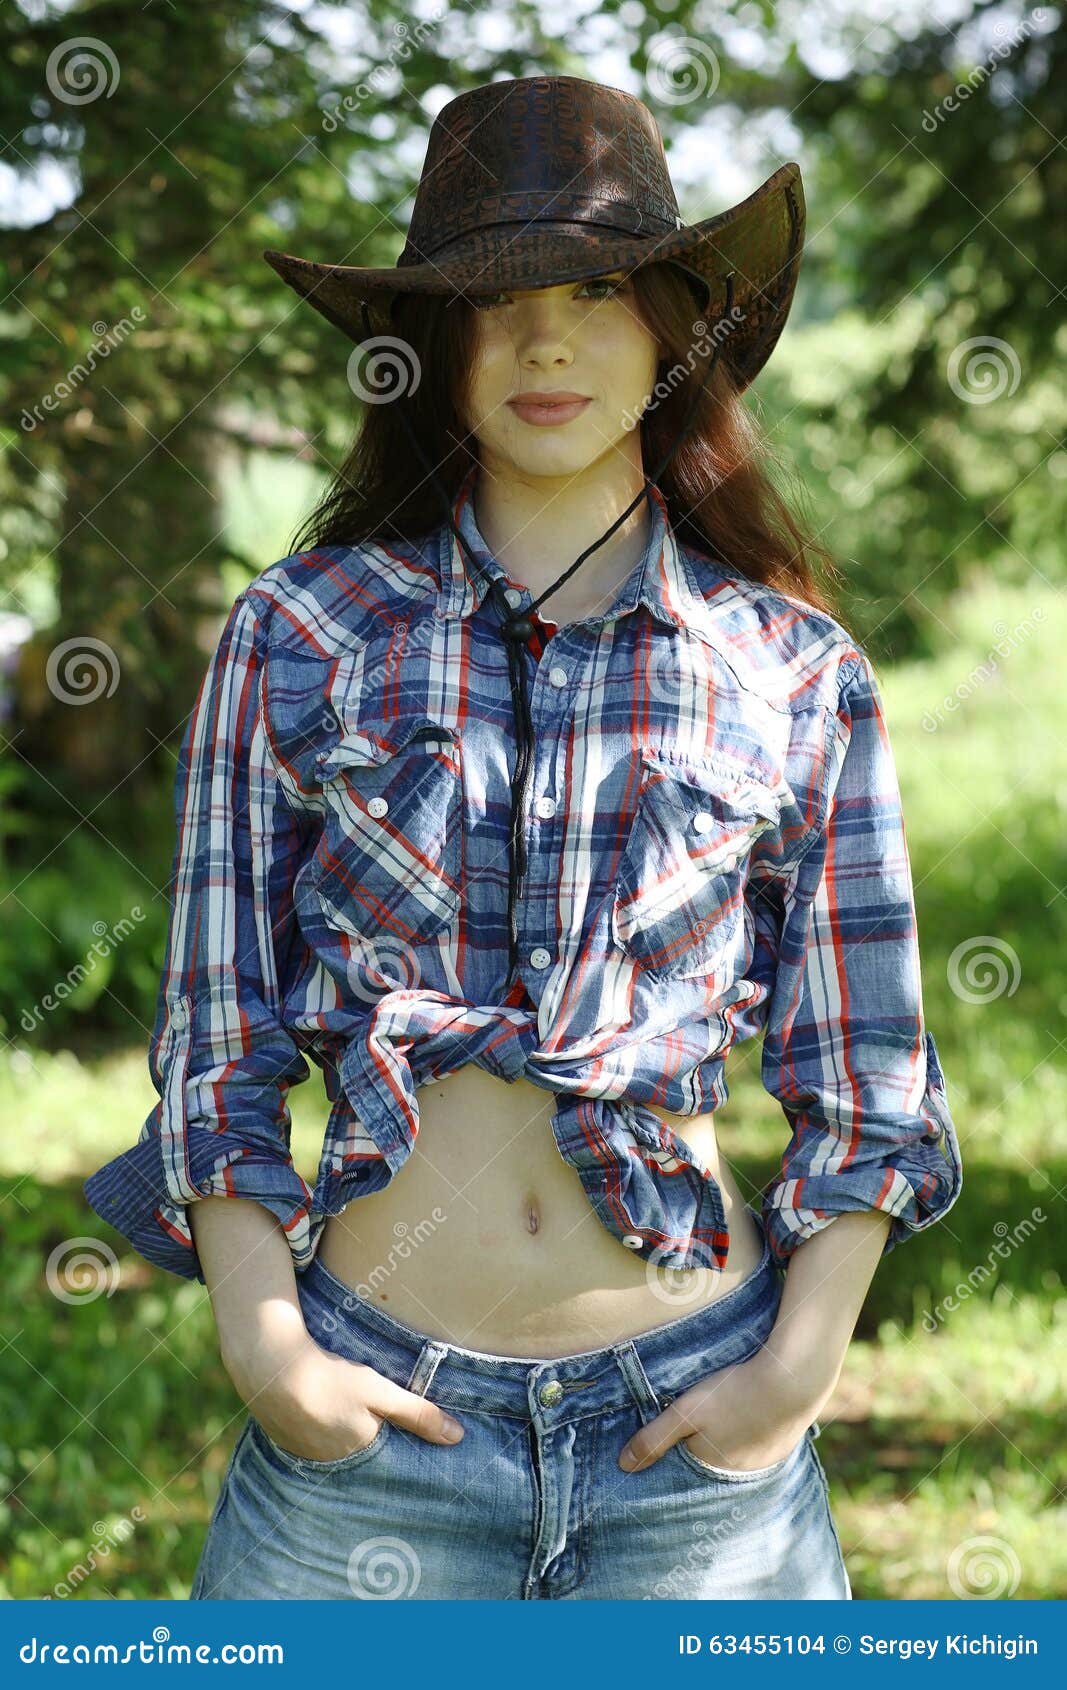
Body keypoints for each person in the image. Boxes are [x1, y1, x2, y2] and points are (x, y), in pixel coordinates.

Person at [83, 74, 962, 1601]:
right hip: (368, 1421)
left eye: (599, 288)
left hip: (695, 1445)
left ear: (677, 325)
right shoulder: (298, 635)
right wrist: (264, 1339)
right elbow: (216, 1031)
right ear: (431, 348)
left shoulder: (796, 670)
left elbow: (870, 1069)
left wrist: (796, 1371)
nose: (546, 337)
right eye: (494, 300)